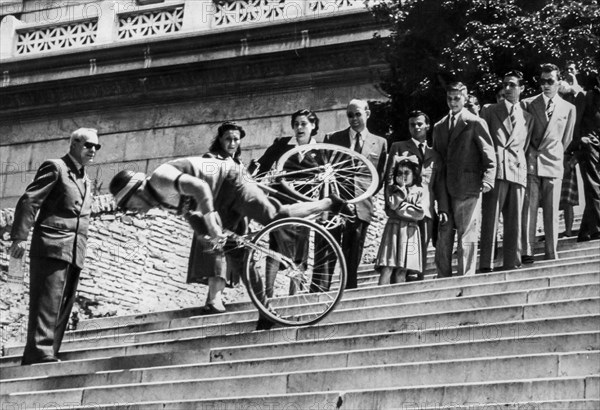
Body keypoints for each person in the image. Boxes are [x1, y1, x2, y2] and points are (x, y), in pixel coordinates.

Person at [109, 142, 346, 328]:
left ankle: (326, 203)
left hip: (232, 179)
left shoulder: (161, 178)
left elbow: (199, 188)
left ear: (137, 190)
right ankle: (266, 311)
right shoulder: (160, 201)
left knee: (275, 216)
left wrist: (211, 220)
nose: (133, 211)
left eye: (130, 205)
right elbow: (190, 212)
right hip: (218, 199)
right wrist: (207, 235)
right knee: (238, 258)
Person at [9, 128, 100, 365]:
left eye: (96, 147)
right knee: (47, 301)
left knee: (62, 303)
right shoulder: (55, 167)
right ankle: (39, 351)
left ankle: (47, 352)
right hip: (51, 244)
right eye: (88, 145)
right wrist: (20, 237)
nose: (92, 150)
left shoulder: (86, 178)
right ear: (74, 144)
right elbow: (30, 200)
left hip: (74, 250)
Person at [249, 109, 325, 294]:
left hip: (303, 206)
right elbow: (262, 166)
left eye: (304, 123)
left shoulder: (322, 150)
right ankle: (267, 293)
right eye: (296, 124)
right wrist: (249, 180)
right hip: (280, 203)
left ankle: (294, 295)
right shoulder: (282, 145)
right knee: (275, 245)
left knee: (301, 248)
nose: (299, 127)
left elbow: (326, 180)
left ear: (313, 126)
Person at [432, 82, 496, 277]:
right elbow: (437, 159)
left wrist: (488, 179)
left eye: (457, 98)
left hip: (469, 185)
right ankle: (443, 275)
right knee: (444, 234)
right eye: (449, 99)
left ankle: (466, 275)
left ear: (465, 98)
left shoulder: (475, 122)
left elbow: (489, 154)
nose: (453, 103)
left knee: (467, 233)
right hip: (445, 188)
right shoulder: (439, 126)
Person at [324, 98, 387, 289]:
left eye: (358, 114)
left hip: (362, 204)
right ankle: (323, 289)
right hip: (337, 203)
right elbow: (326, 171)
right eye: (350, 115)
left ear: (367, 114)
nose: (354, 119)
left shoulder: (380, 142)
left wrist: (364, 195)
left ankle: (350, 288)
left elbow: (380, 175)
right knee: (329, 247)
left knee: (354, 249)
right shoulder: (333, 138)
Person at [188, 122, 246, 313]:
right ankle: (214, 299)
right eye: (228, 138)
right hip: (215, 214)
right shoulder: (211, 159)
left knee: (226, 259)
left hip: (233, 217)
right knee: (216, 257)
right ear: (220, 139)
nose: (232, 143)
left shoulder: (239, 164)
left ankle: (214, 298)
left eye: (236, 139)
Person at [521, 63, 576, 263]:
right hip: (532, 162)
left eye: (550, 81)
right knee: (529, 208)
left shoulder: (569, 108)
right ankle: (527, 251)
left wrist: (554, 152)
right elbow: (523, 135)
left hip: (553, 162)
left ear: (558, 82)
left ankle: (551, 252)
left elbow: (566, 139)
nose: (545, 85)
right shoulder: (527, 104)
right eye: (542, 81)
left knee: (552, 211)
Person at [479, 70, 533, 272]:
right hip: (498, 169)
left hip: (517, 170)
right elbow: (483, 141)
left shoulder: (528, 117)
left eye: (512, 85)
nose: (507, 89)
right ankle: (487, 263)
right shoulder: (490, 110)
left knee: (515, 220)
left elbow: (525, 146)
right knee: (491, 217)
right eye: (505, 84)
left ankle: (512, 261)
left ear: (522, 88)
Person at [386, 110, 447, 280]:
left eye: (420, 123)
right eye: (412, 124)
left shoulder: (434, 155)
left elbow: (439, 185)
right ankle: (397, 287)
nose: (416, 127)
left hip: (424, 209)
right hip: (403, 208)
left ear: (427, 126)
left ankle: (417, 281)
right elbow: (389, 178)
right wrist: (390, 204)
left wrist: (442, 209)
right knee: (401, 250)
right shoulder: (398, 148)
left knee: (421, 248)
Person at [376, 155, 426, 285]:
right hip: (393, 229)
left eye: (406, 173)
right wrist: (401, 193)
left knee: (403, 269)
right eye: (399, 173)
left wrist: (402, 208)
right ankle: (380, 295)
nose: (403, 176)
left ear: (414, 175)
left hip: (410, 231)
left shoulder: (420, 191)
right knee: (388, 265)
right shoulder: (391, 189)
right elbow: (392, 205)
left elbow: (419, 213)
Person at [574, 72, 600, 242]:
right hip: (589, 147)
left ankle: (585, 231)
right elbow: (574, 123)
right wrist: (579, 141)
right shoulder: (585, 96)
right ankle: (597, 228)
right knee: (594, 186)